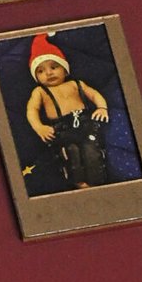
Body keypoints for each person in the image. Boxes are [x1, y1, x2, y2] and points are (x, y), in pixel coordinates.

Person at [24, 35, 110, 188]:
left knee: (92, 150)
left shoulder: (76, 84)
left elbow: (94, 94)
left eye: (54, 67)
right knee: (70, 153)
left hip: (85, 123)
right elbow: (32, 110)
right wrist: (39, 127)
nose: (48, 73)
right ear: (36, 77)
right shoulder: (40, 91)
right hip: (61, 128)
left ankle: (96, 181)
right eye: (41, 71)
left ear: (65, 70)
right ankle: (80, 184)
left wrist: (102, 108)